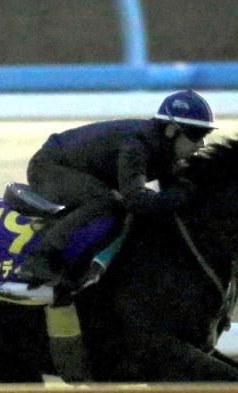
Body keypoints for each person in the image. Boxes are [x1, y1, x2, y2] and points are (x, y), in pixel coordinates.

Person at [18, 89, 216, 290]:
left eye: (205, 135)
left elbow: (172, 192)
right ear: (171, 130)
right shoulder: (137, 146)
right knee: (106, 202)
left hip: (76, 168)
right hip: (48, 168)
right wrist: (181, 196)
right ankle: (38, 259)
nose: (201, 144)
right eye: (196, 135)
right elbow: (135, 200)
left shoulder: (165, 148)